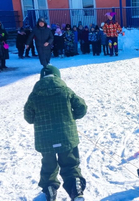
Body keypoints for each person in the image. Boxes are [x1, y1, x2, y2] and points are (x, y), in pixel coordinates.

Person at [24, 65, 88, 201]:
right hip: (67, 136)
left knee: (49, 166)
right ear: (57, 76)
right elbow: (81, 107)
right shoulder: (65, 90)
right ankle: (76, 190)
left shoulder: (34, 95)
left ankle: (49, 189)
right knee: (70, 164)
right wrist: (72, 117)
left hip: (45, 140)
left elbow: (29, 117)